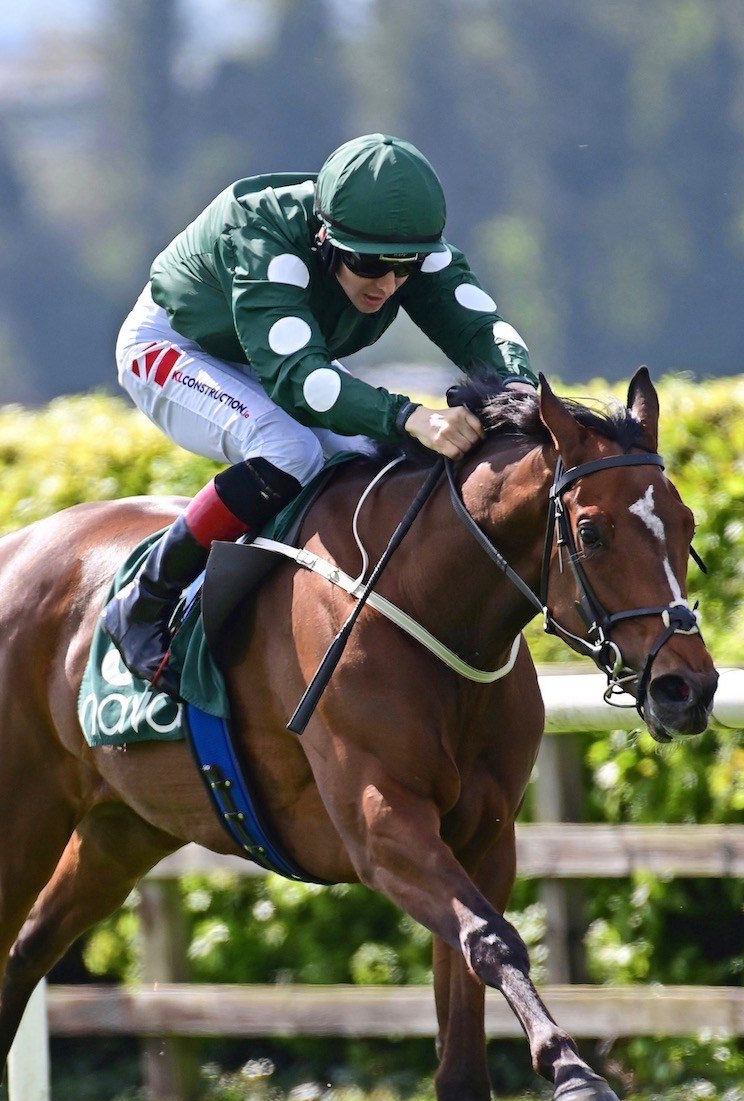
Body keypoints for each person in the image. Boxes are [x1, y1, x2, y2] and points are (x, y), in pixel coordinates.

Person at [103, 132, 537, 690]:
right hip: (176, 345)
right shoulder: (262, 231)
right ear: (327, 237)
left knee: (369, 458)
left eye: (405, 270)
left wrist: (524, 396)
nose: (388, 283)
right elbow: (297, 379)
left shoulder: (404, 251)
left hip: (275, 355)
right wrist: (411, 416)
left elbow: (484, 331)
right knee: (290, 449)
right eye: (369, 265)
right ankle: (145, 597)